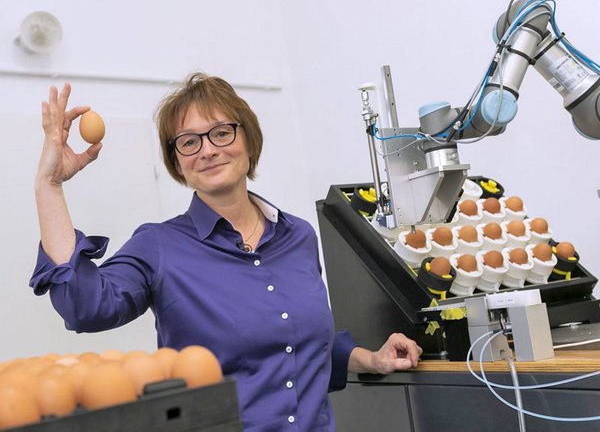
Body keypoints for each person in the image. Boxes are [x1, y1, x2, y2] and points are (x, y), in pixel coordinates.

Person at [31, 73, 422, 431]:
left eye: (221, 132)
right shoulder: (159, 247)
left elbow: (295, 341)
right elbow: (84, 307)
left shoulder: (298, 238)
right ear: (179, 164)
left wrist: (370, 358)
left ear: (248, 139)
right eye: (189, 141)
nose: (207, 150)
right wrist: (49, 185)